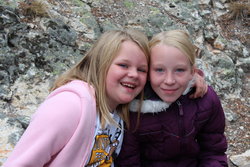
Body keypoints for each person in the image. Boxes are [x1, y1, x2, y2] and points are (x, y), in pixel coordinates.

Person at [3, 29, 206, 167]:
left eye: (141, 69)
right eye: (123, 65)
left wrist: (190, 80)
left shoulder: (119, 109)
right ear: (101, 64)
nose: (134, 74)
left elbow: (166, 73)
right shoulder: (70, 106)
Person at [115, 30, 228, 167]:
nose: (169, 81)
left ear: (192, 72)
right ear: (148, 71)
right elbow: (127, 160)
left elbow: (213, 151)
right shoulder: (133, 106)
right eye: (159, 70)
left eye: (179, 70)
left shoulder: (206, 100)